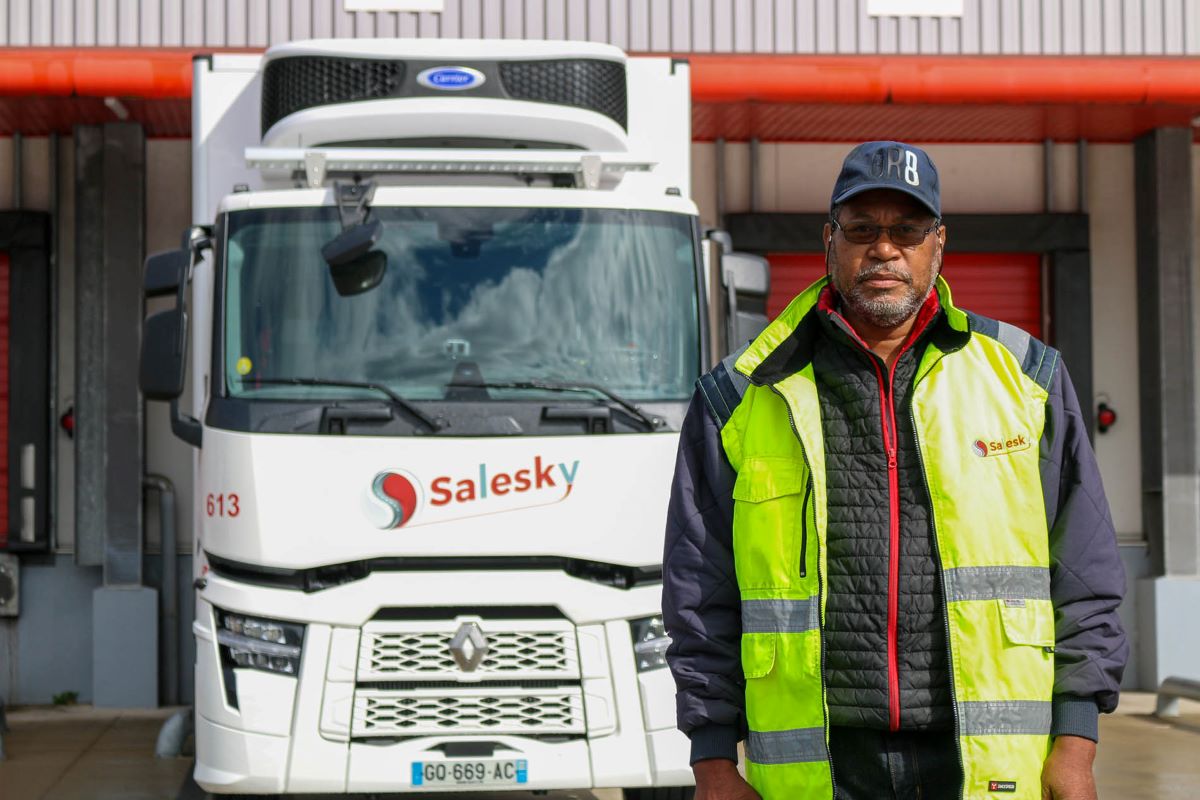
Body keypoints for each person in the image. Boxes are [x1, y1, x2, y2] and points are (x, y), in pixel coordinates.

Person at [662, 141, 1128, 800]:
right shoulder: (740, 396)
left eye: (907, 229)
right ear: (830, 241)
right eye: (862, 229)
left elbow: (1085, 575)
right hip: (818, 770)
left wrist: (1075, 746)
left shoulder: (1026, 380)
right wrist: (712, 761)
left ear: (939, 244)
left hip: (981, 766)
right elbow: (698, 593)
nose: (884, 249)